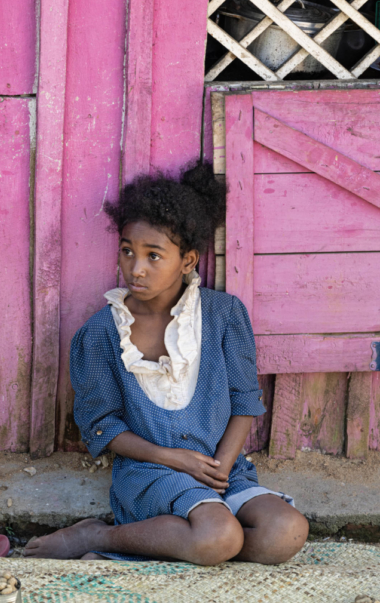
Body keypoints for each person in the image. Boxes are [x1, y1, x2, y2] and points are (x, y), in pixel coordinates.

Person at [25, 161, 308, 564]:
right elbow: (102, 427)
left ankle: (188, 539)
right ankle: (100, 535)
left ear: (188, 261)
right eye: (127, 251)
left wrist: (220, 469)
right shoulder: (102, 333)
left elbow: (244, 401)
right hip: (150, 471)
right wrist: (173, 459)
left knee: (286, 531)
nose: (135, 268)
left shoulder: (225, 315)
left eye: (153, 255)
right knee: (218, 535)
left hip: (219, 469)